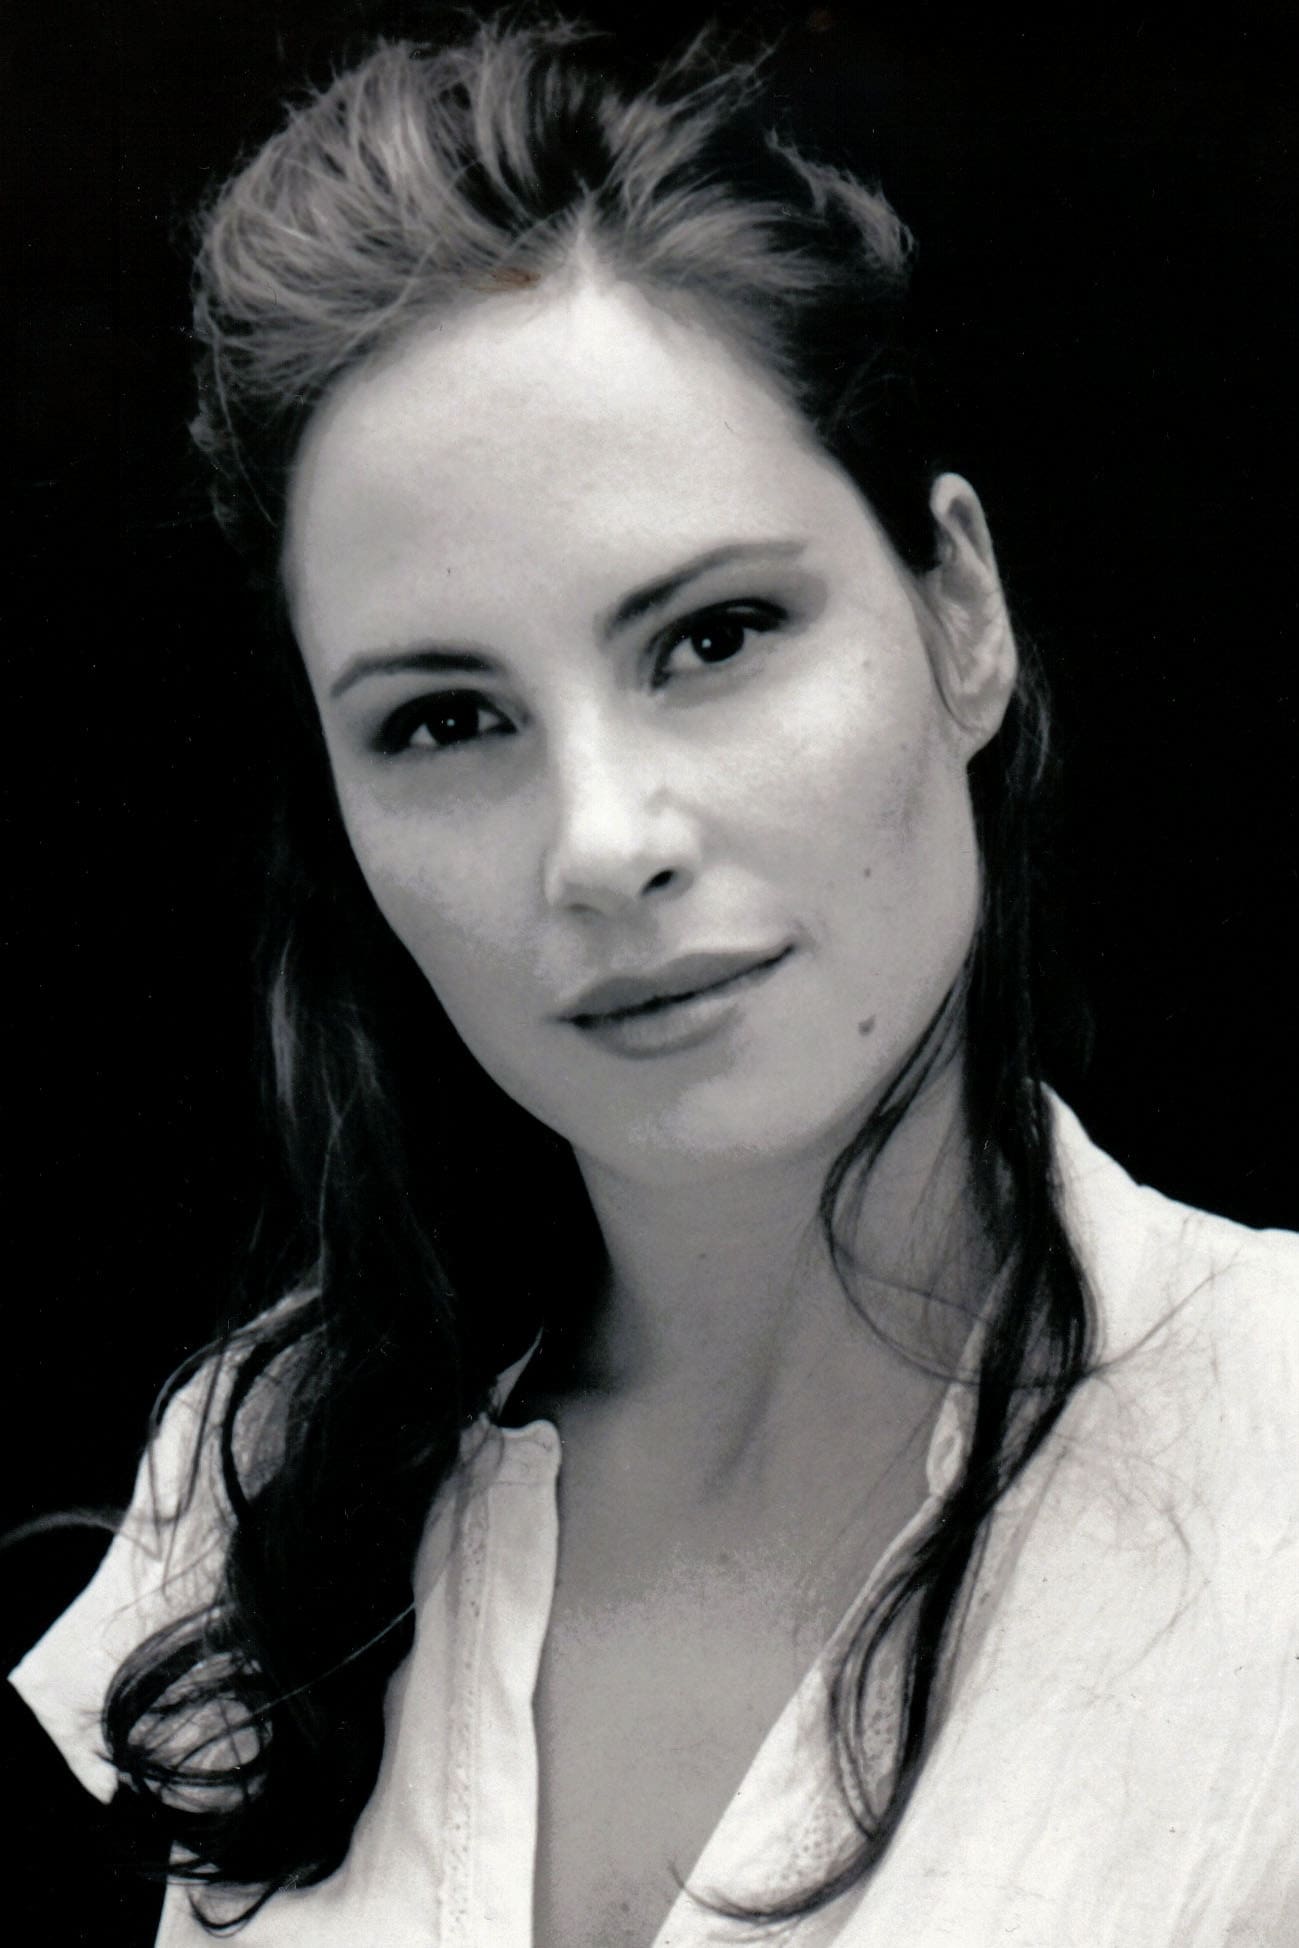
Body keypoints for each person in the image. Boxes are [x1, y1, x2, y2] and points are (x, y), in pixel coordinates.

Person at [9, 17, 1298, 1945]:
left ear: (958, 614)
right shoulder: (267, 1473)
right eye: (446, 719)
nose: (604, 842)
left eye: (715, 635)